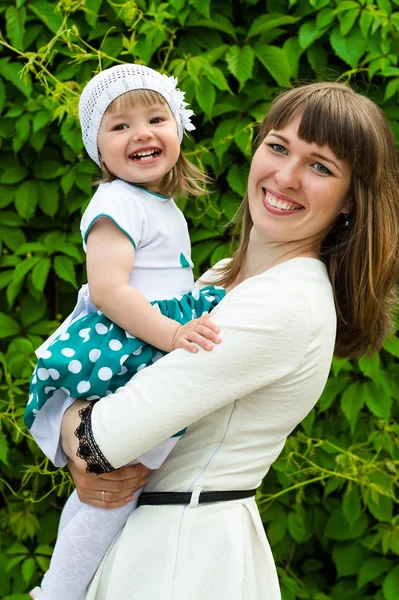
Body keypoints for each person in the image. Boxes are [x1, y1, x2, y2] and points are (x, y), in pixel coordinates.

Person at [47, 82, 399, 599]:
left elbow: (103, 441)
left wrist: (65, 418)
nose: (285, 176)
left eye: (320, 166)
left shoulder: (284, 304)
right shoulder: (217, 281)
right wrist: (78, 434)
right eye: (277, 147)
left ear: (351, 201)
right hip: (151, 542)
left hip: (181, 559)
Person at [27, 63, 226, 600]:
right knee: (110, 492)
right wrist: (171, 334)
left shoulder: (156, 204)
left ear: (178, 130)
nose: (141, 132)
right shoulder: (116, 202)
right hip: (128, 346)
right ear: (98, 148)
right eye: (119, 126)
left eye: (156, 117)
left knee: (124, 487)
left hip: (146, 338)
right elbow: (111, 290)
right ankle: (59, 592)